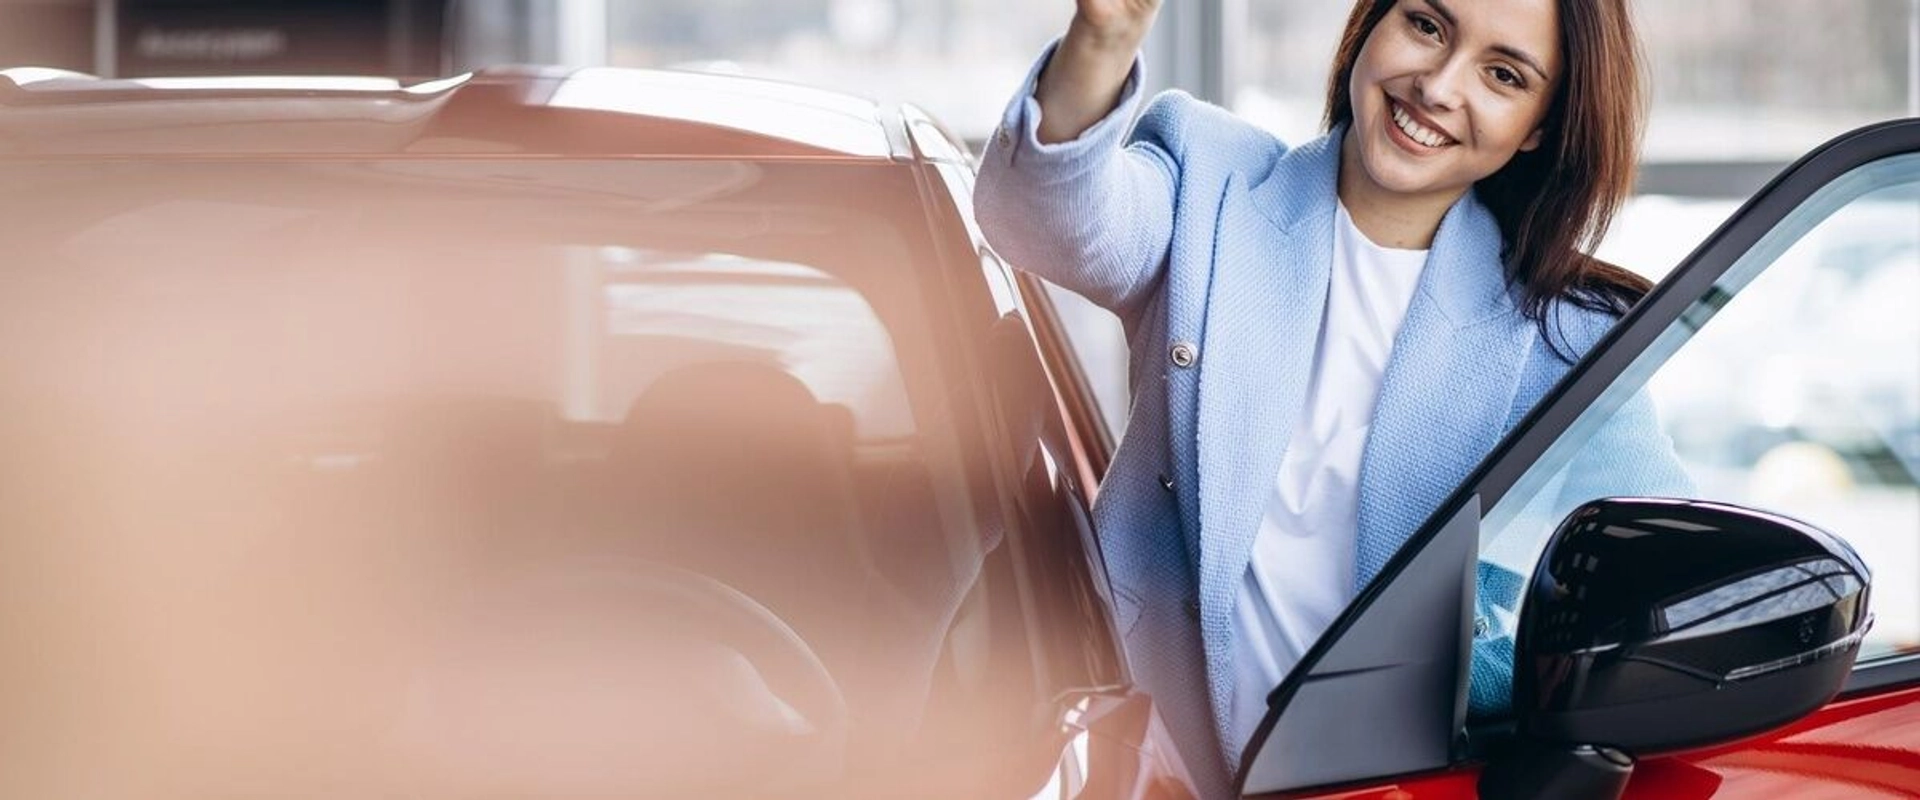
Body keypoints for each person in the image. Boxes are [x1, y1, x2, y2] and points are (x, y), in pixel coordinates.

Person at [973, 0, 1691, 795]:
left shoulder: (1569, 340)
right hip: (1137, 764)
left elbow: (1670, 602)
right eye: (1427, 26)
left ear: (1538, 128)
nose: (1438, 86)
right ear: (1372, 22)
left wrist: (1469, 683)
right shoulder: (1211, 178)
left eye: (1502, 75)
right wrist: (1103, 38)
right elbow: (1039, 220)